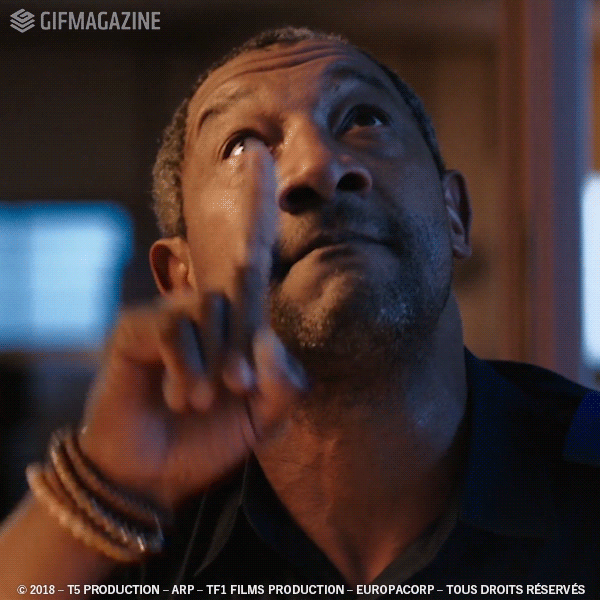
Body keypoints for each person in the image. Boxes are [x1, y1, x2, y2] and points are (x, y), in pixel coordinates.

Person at [1, 27, 599, 599]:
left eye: (363, 119)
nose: (317, 167)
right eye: (242, 146)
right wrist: (110, 485)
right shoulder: (128, 535)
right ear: (181, 278)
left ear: (455, 216)